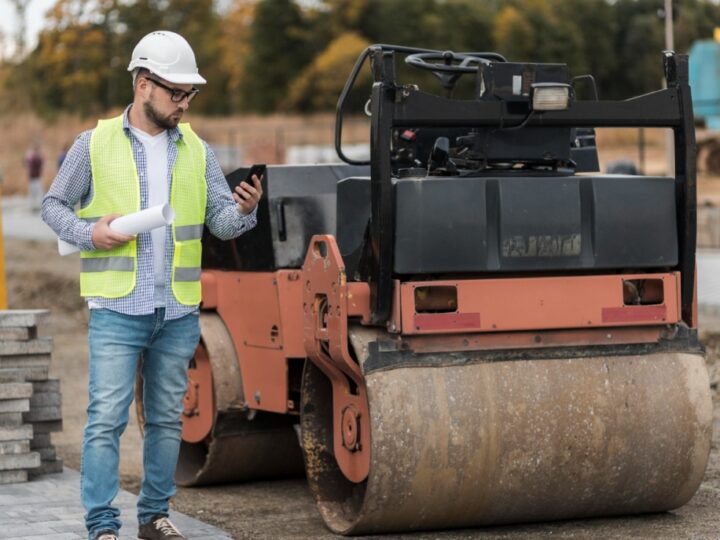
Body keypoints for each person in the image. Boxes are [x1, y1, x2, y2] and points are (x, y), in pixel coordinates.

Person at [41, 30, 263, 540]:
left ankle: (153, 517)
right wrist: (88, 233)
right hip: (118, 306)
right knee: (105, 421)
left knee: (166, 421)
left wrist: (243, 211)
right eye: (176, 93)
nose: (185, 103)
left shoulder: (197, 150)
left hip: (178, 311)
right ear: (143, 84)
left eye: (190, 95)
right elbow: (53, 206)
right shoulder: (92, 144)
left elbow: (220, 224)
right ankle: (101, 525)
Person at [24, 142, 44, 211]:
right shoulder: (34, 157)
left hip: (34, 177)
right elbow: (41, 163)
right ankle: (34, 206)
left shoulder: (30, 157)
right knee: (37, 193)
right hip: (35, 177)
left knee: (35, 193)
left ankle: (34, 205)